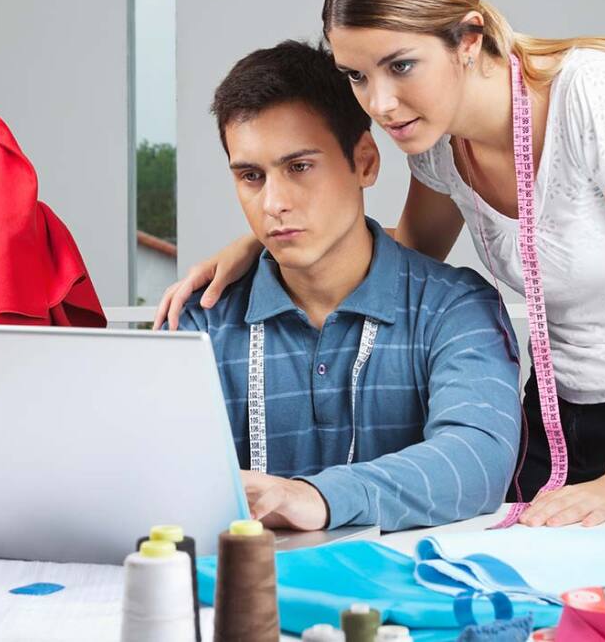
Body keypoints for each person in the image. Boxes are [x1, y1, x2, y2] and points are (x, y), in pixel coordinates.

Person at [157, 0, 605, 529]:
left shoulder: (595, 97)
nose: (382, 103)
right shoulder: (441, 146)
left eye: (399, 66)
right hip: (563, 407)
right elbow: (399, 257)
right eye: (357, 76)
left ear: (468, 39)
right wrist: (271, 244)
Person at [171, 39, 522, 532]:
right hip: (240, 598)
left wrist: (317, 497)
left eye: (299, 167)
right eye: (251, 176)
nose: (273, 203)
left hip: (409, 600)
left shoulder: (456, 309)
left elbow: (477, 462)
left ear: (365, 162)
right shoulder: (198, 323)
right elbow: (157, 479)